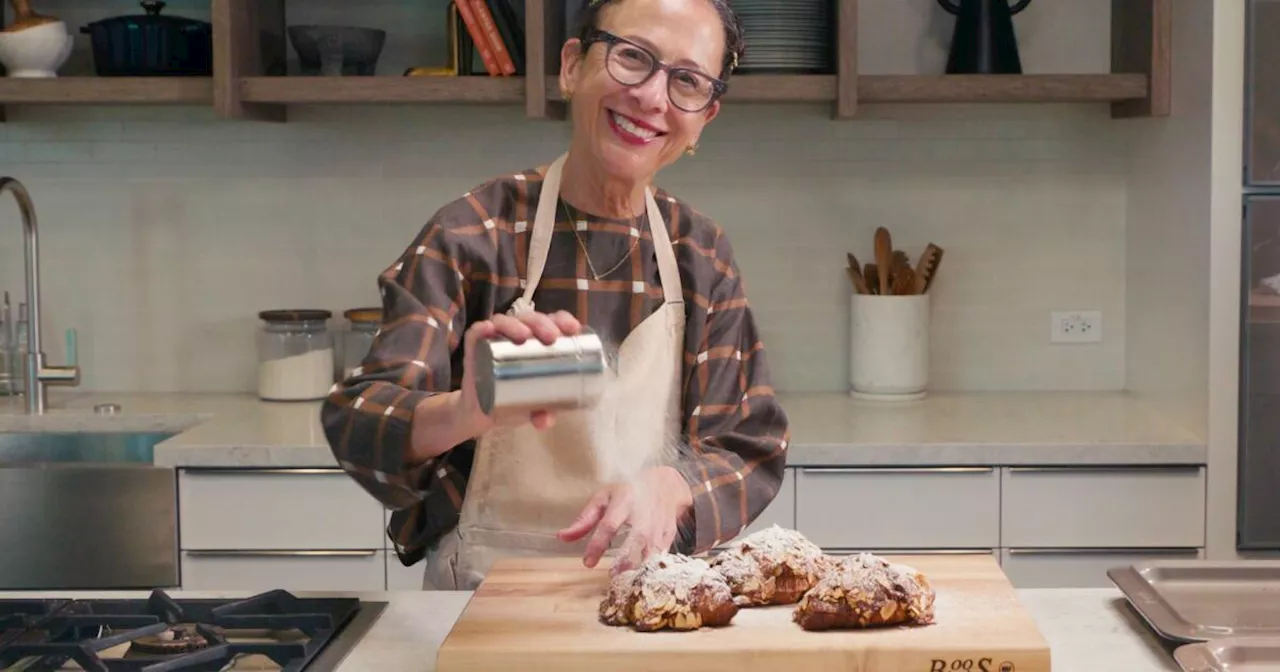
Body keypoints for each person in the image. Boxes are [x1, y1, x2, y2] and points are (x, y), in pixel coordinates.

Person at [320, 0, 790, 591]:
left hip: (652, 604)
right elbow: (358, 423)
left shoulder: (700, 253)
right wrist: (463, 413)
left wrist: (675, 488)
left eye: (686, 81)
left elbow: (752, 445)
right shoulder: (474, 233)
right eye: (632, 58)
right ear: (572, 66)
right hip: (481, 605)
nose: (651, 97)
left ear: (704, 117)